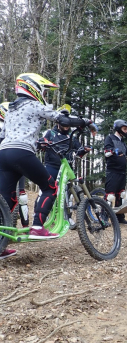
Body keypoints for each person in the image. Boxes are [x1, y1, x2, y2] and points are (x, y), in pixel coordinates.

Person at [0, 72, 95, 260]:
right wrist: (86, 121)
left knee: (6, 200)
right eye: (43, 91)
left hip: (3, 154)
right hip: (21, 153)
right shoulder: (34, 105)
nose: (43, 95)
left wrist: (37, 143)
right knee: (50, 187)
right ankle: (37, 227)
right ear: (32, 87)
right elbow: (63, 120)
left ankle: (1, 244)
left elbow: (5, 134)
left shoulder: (11, 109)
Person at [0, 101, 29, 228]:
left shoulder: (12, 127)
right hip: (6, 165)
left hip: (13, 164)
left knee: (19, 197)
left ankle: (19, 228)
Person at [104, 119, 127, 225]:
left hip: (122, 171)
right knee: (110, 196)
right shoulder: (110, 138)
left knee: (121, 195)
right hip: (112, 171)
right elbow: (106, 152)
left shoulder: (122, 142)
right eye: (124, 129)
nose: (126, 131)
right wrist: (113, 151)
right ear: (118, 128)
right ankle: (104, 218)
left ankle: (119, 218)